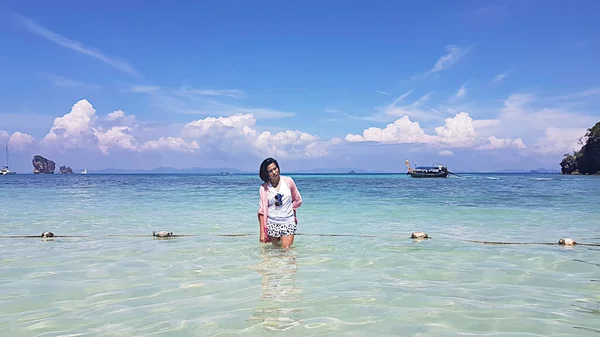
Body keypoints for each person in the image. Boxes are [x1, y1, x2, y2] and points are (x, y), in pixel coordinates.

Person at [257, 158, 302, 249]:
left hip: (288, 222)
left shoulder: (288, 181)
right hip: (272, 223)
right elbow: (261, 211)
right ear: (267, 173)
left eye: (275, 168)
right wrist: (262, 232)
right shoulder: (264, 188)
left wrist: (290, 209)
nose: (274, 172)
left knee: (286, 249)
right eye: (270, 171)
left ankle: (293, 264)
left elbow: (298, 200)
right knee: (276, 251)